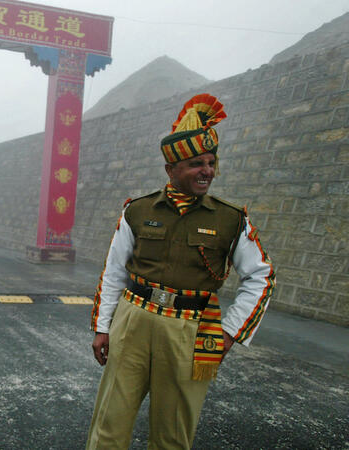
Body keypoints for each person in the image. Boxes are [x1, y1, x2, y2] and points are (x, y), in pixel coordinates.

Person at [86, 94, 276, 449]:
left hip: (191, 330)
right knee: (110, 422)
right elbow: (113, 272)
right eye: (195, 163)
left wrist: (230, 332)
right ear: (170, 170)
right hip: (133, 320)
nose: (207, 171)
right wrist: (102, 327)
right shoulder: (138, 210)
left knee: (173, 433)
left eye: (211, 162)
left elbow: (262, 277)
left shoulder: (231, 219)